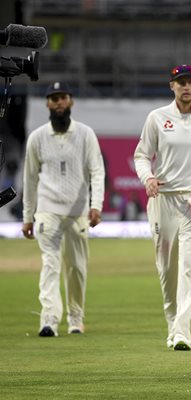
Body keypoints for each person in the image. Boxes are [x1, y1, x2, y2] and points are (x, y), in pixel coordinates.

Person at [134, 65, 191, 350]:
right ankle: (173, 325)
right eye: (180, 82)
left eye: (190, 82)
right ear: (171, 86)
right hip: (164, 198)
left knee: (190, 268)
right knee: (167, 269)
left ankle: (182, 331)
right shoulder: (157, 118)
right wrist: (147, 177)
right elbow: (140, 155)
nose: (185, 87)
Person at [22, 81, 105, 337]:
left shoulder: (85, 133)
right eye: (54, 98)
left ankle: (76, 317)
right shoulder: (37, 138)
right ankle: (48, 319)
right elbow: (30, 179)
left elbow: (96, 171)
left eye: (63, 98)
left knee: (77, 268)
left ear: (71, 101)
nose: (58, 102)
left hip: (78, 210)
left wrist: (96, 205)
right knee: (50, 264)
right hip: (47, 210)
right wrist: (28, 217)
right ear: (47, 103)